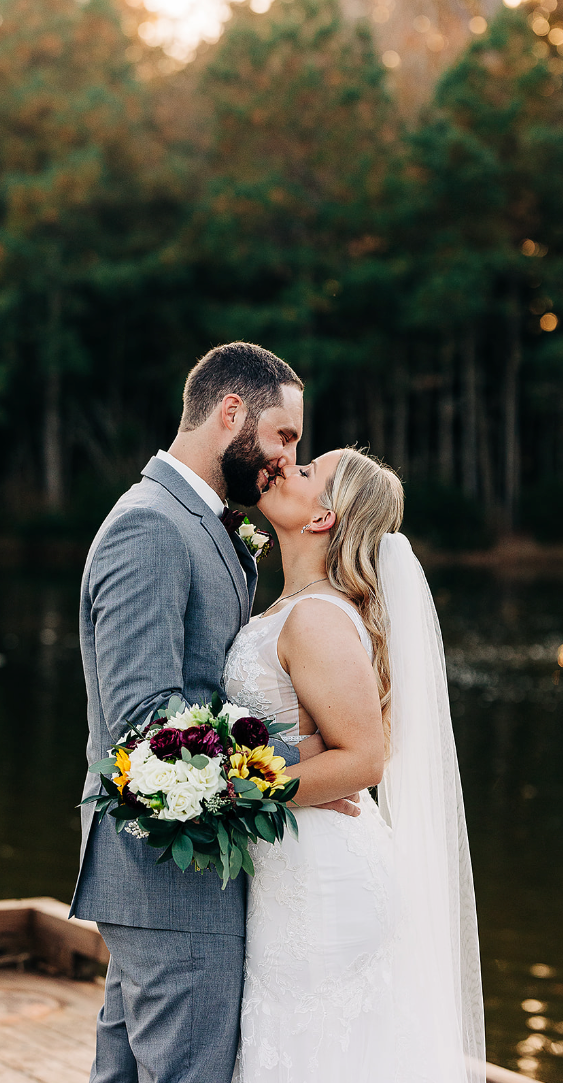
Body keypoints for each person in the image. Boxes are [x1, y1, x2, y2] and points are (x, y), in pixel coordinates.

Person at [70, 342, 359, 1083]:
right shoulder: (151, 527)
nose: (285, 460)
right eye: (283, 436)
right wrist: (302, 770)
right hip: (167, 870)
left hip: (173, 868)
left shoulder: (205, 525)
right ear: (231, 411)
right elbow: (149, 726)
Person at [224, 447, 486, 1083]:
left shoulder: (316, 617)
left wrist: (240, 792)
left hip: (323, 881)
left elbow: (365, 757)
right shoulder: (292, 608)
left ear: (323, 518)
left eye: (307, 471)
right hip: (293, 870)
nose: (286, 467)